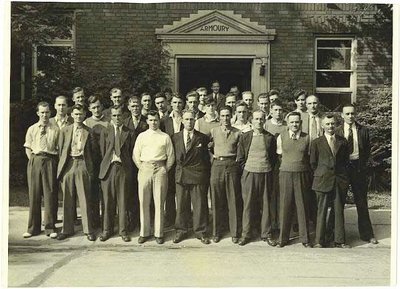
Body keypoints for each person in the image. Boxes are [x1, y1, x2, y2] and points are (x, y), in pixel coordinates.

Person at [335, 104, 378, 244]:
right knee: (339, 202)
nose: (350, 116)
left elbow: (367, 151)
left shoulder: (363, 130)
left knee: (361, 202)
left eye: (352, 113)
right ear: (342, 115)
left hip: (358, 168)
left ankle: (367, 234)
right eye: (347, 114)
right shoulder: (337, 131)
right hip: (342, 169)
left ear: (356, 114)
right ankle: (339, 236)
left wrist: (363, 166)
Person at [133, 111, 175, 244]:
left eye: (156, 120)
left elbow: (171, 156)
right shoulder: (142, 136)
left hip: (160, 169)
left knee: (159, 202)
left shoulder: (165, 137)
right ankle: (144, 232)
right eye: (151, 120)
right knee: (144, 202)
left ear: (159, 120)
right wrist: (142, 167)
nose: (153, 122)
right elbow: (135, 155)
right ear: (147, 121)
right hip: (145, 168)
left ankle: (159, 233)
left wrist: (164, 169)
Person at [56, 104, 96, 241]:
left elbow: (93, 152)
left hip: (82, 164)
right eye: (76, 114)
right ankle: (66, 229)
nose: (78, 117)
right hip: (68, 165)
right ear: (71, 115)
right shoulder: (65, 130)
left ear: (85, 115)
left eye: (81, 114)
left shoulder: (89, 131)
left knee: (84, 198)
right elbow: (61, 150)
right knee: (68, 198)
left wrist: (89, 167)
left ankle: (88, 230)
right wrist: (63, 168)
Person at [237, 110, 277, 246]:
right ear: (251, 121)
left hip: (265, 173)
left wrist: (264, 167)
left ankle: (266, 234)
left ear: (264, 120)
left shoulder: (270, 138)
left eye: (261, 119)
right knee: (248, 204)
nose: (259, 121)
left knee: (266, 204)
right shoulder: (245, 137)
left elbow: (273, 158)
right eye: (256, 119)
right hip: (249, 174)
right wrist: (248, 168)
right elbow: (241, 158)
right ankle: (246, 234)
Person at [171, 110, 211, 245]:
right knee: (182, 204)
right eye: (187, 119)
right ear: (182, 120)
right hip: (181, 174)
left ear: (195, 121)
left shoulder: (203, 138)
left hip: (198, 174)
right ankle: (181, 230)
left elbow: (206, 159)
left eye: (192, 119)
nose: (189, 122)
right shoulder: (174, 137)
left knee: (199, 204)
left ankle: (200, 231)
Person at [310, 114, 350, 248]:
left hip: (339, 180)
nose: (330, 126)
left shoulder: (342, 141)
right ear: (322, 126)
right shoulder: (316, 142)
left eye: (332, 123)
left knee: (338, 210)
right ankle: (319, 241)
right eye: (327, 124)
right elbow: (313, 163)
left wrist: (343, 178)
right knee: (321, 211)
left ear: (336, 125)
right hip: (322, 180)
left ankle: (339, 240)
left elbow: (345, 161)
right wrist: (322, 174)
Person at [98, 105, 135, 242]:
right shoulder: (105, 131)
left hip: (123, 169)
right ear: (110, 116)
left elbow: (131, 152)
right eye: (114, 115)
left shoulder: (129, 132)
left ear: (123, 116)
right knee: (107, 201)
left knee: (123, 201)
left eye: (119, 115)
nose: (117, 118)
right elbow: (102, 152)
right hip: (108, 168)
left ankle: (123, 230)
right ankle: (107, 230)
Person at [23, 102, 59, 239]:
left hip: (49, 160)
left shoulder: (55, 129)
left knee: (49, 194)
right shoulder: (32, 129)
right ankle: (33, 228)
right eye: (42, 112)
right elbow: (28, 147)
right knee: (34, 194)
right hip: (35, 160)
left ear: (50, 113)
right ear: (38, 113)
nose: (44, 115)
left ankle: (50, 228)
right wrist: (33, 161)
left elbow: (58, 148)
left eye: (47, 112)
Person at [276, 112, 311, 248]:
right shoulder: (281, 137)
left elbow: (309, 157)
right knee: (285, 205)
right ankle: (283, 238)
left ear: (300, 123)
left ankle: (305, 238)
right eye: (292, 122)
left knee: (302, 206)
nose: (294, 124)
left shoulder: (307, 138)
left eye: (297, 122)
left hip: (301, 174)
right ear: (287, 123)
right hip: (285, 174)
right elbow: (279, 155)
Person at [209, 106, 242, 243]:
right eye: (222, 116)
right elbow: (207, 147)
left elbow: (240, 151)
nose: (225, 119)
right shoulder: (213, 131)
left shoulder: (237, 133)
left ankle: (235, 232)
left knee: (233, 199)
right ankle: (217, 232)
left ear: (232, 116)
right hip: (217, 165)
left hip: (232, 165)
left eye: (228, 115)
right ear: (219, 117)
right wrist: (212, 157)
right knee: (216, 199)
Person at [83, 95, 109, 229]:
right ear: (89, 109)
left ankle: (106, 221)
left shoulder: (108, 122)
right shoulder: (86, 122)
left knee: (105, 192)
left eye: (98, 106)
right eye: (93, 107)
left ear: (102, 107)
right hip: (92, 161)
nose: (97, 109)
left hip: (105, 160)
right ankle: (94, 220)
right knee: (92, 193)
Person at [124, 96, 149, 231]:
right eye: (132, 106)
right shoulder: (125, 122)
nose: (135, 108)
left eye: (137, 106)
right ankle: (130, 222)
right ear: (128, 107)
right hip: (128, 164)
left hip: (143, 164)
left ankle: (143, 221)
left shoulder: (147, 122)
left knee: (143, 193)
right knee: (129, 193)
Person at [160, 93, 185, 227]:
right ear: (171, 104)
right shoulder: (165, 121)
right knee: (169, 191)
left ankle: (182, 219)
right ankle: (170, 218)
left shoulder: (187, 119)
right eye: (174, 103)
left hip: (183, 160)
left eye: (179, 103)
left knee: (182, 191)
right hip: (169, 159)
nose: (177, 105)